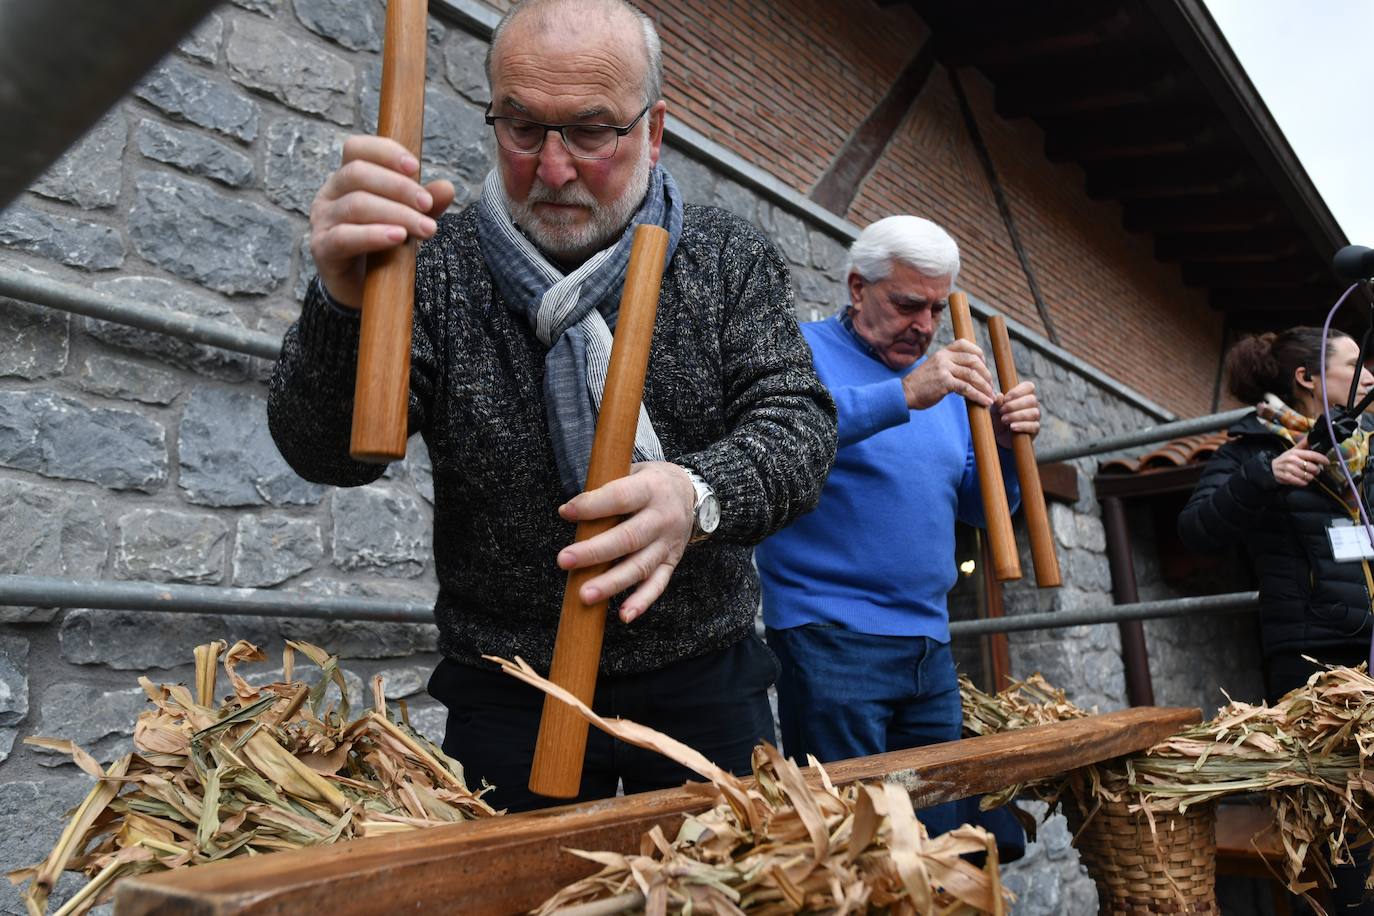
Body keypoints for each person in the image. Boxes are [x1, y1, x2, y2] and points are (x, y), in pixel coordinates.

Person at [267, 0, 837, 812]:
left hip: (705, 687)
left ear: (654, 129)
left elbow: (799, 426)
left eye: (592, 130)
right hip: (507, 695)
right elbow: (325, 455)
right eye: (523, 127)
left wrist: (696, 494)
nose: (555, 167)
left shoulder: (724, 256)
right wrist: (341, 306)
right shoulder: (436, 264)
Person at [754, 215, 1039, 840]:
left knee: (941, 837)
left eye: (936, 309)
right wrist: (903, 393)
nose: (925, 326)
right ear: (858, 287)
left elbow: (975, 508)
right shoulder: (798, 352)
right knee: (855, 841)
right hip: (828, 636)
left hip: (930, 644)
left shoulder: (947, 385)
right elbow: (783, 437)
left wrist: (1004, 448)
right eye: (908, 304)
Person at [1178, 326, 1374, 912]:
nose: (1370, 378)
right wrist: (1265, 477)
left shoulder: (1361, 451)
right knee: (1341, 831)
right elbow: (1196, 531)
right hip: (1316, 667)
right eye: (1356, 366)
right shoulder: (1251, 450)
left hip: (1371, 653)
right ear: (1308, 378)